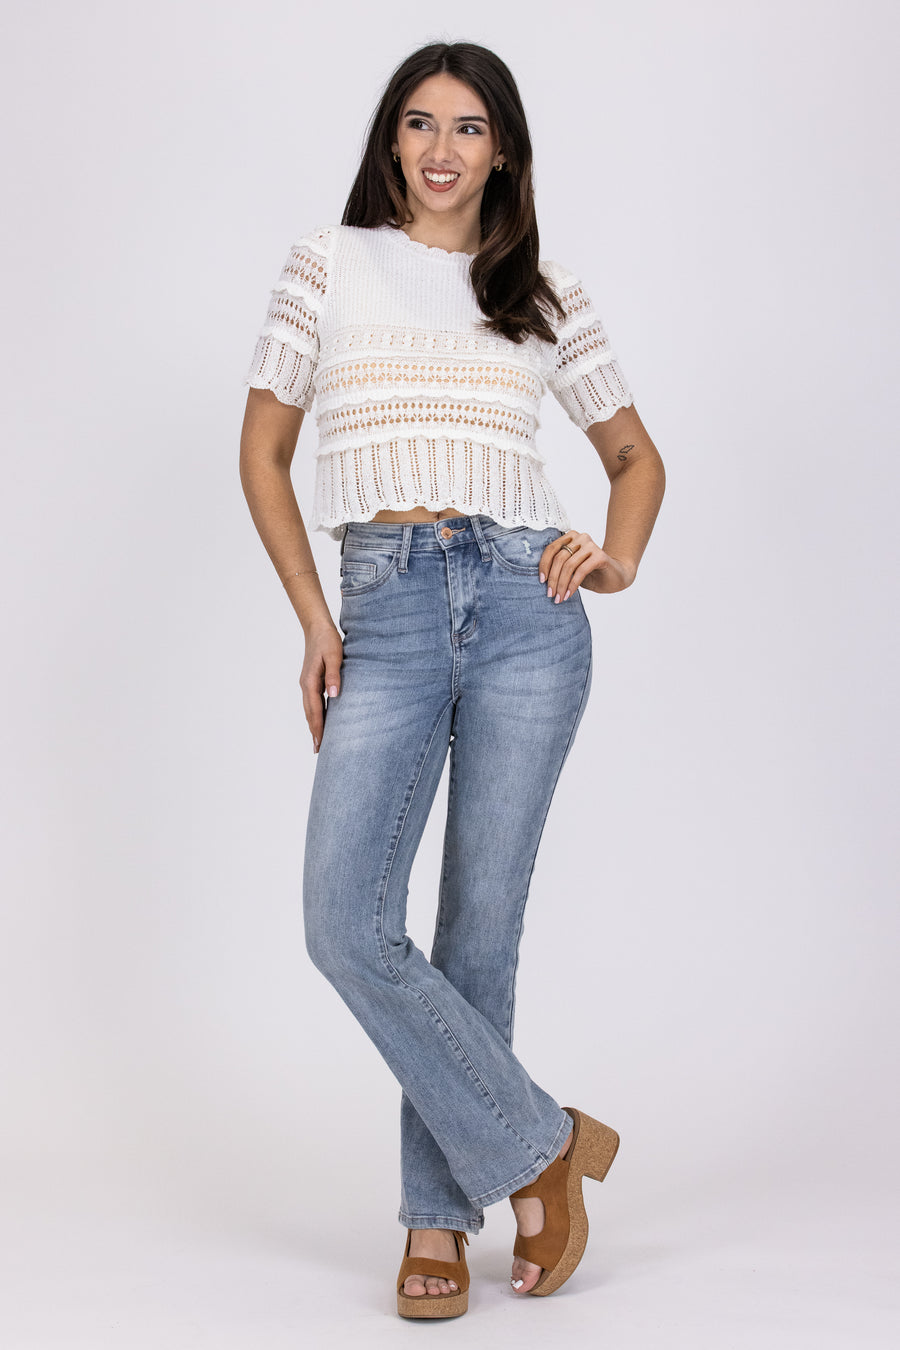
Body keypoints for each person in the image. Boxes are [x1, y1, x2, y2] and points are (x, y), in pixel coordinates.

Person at [239, 40, 665, 1320]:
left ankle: (438, 1223)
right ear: (391, 140)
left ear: (504, 152)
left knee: (479, 926)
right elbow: (263, 452)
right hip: (386, 605)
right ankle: (545, 1145)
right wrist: (316, 618)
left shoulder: (543, 293)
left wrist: (617, 556)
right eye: (421, 123)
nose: (441, 149)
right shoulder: (328, 263)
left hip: (532, 606)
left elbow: (635, 457)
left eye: (469, 128)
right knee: (346, 924)